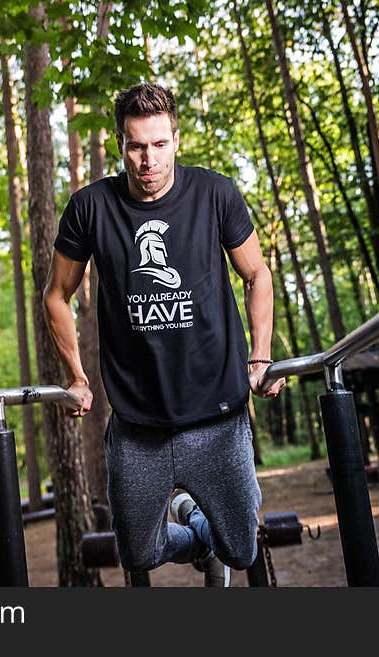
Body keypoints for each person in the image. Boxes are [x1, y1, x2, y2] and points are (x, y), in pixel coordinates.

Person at [43, 83, 285, 587]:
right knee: (139, 552)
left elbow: (257, 275)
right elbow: (55, 296)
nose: (146, 159)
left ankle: (208, 531)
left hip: (217, 416)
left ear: (176, 139)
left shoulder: (215, 193)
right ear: (119, 145)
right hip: (137, 423)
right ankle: (197, 537)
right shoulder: (90, 208)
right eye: (135, 146)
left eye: (157, 144)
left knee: (241, 547)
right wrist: (77, 377)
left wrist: (260, 357)